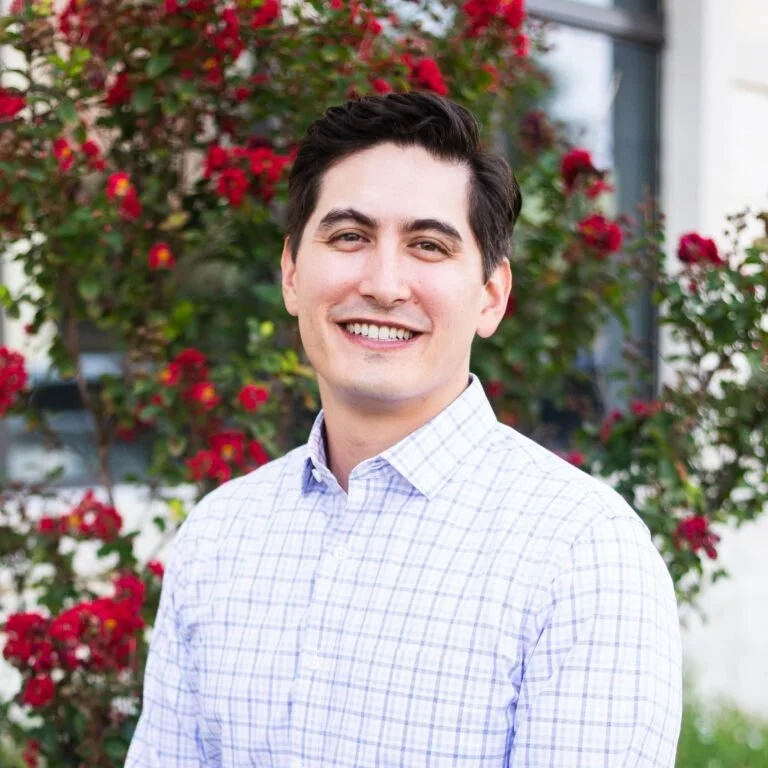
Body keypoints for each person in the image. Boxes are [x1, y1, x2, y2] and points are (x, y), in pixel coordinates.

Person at [126, 91, 682, 767]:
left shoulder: (582, 554)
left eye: (427, 245)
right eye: (350, 237)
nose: (385, 285)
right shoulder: (219, 537)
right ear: (292, 273)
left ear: (490, 296)